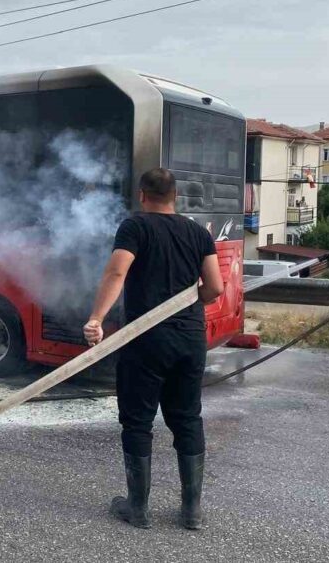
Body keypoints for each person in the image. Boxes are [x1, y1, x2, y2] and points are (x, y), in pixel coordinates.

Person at [83, 168, 224, 530]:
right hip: (191, 338)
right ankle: (192, 511)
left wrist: (97, 319)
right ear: (175, 196)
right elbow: (215, 288)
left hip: (146, 339)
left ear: (142, 195)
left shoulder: (135, 227)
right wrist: (189, 303)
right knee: (187, 418)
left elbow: (117, 273)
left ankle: (138, 508)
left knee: (138, 420)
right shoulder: (197, 232)